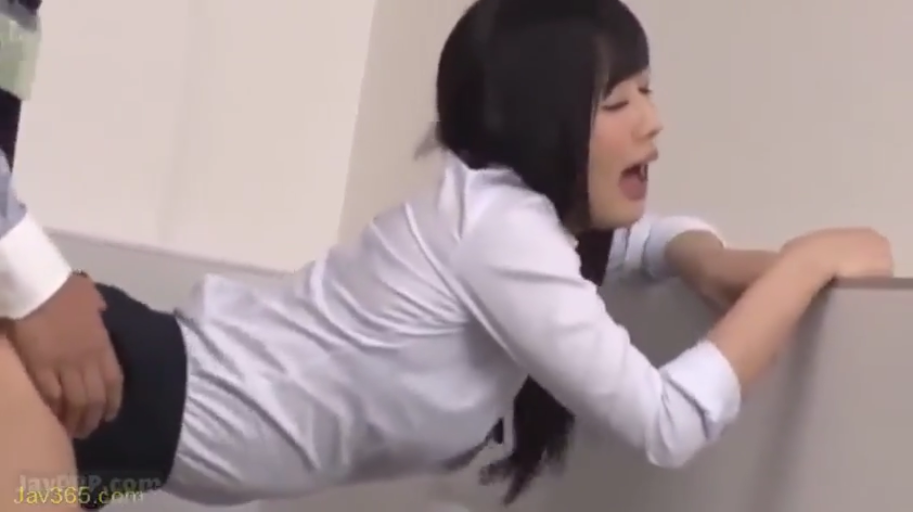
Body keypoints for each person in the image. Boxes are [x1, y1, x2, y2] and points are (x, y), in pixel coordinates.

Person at [0, 0, 894, 510]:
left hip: (126, 450)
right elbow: (667, 422)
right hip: (111, 391)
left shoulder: (510, 226)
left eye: (649, 94)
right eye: (620, 101)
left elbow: (637, 244)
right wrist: (803, 266)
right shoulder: (500, 234)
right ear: (543, 119)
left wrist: (706, 259)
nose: (653, 122)